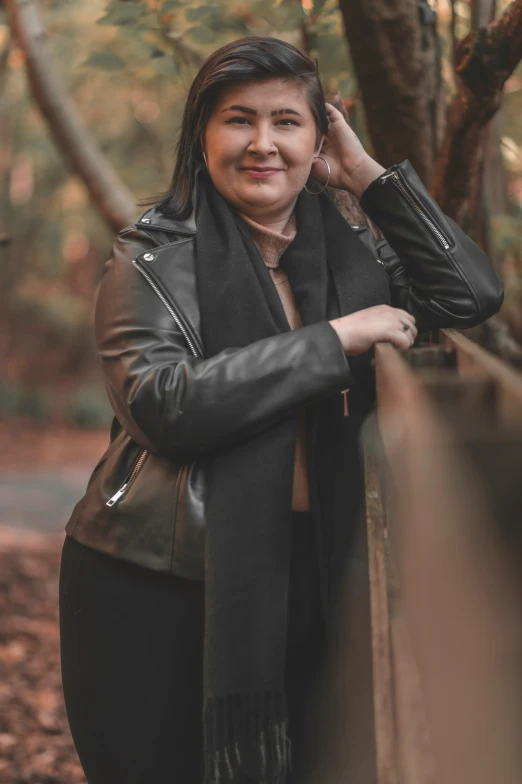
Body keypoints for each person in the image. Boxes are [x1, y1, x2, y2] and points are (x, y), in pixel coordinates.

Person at [59, 36, 503, 784]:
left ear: (318, 136)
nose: (262, 143)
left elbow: (470, 295)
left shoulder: (359, 253)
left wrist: (367, 177)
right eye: (238, 120)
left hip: (316, 575)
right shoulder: (150, 256)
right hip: (155, 583)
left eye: (287, 122)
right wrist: (334, 340)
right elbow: (161, 402)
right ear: (202, 135)